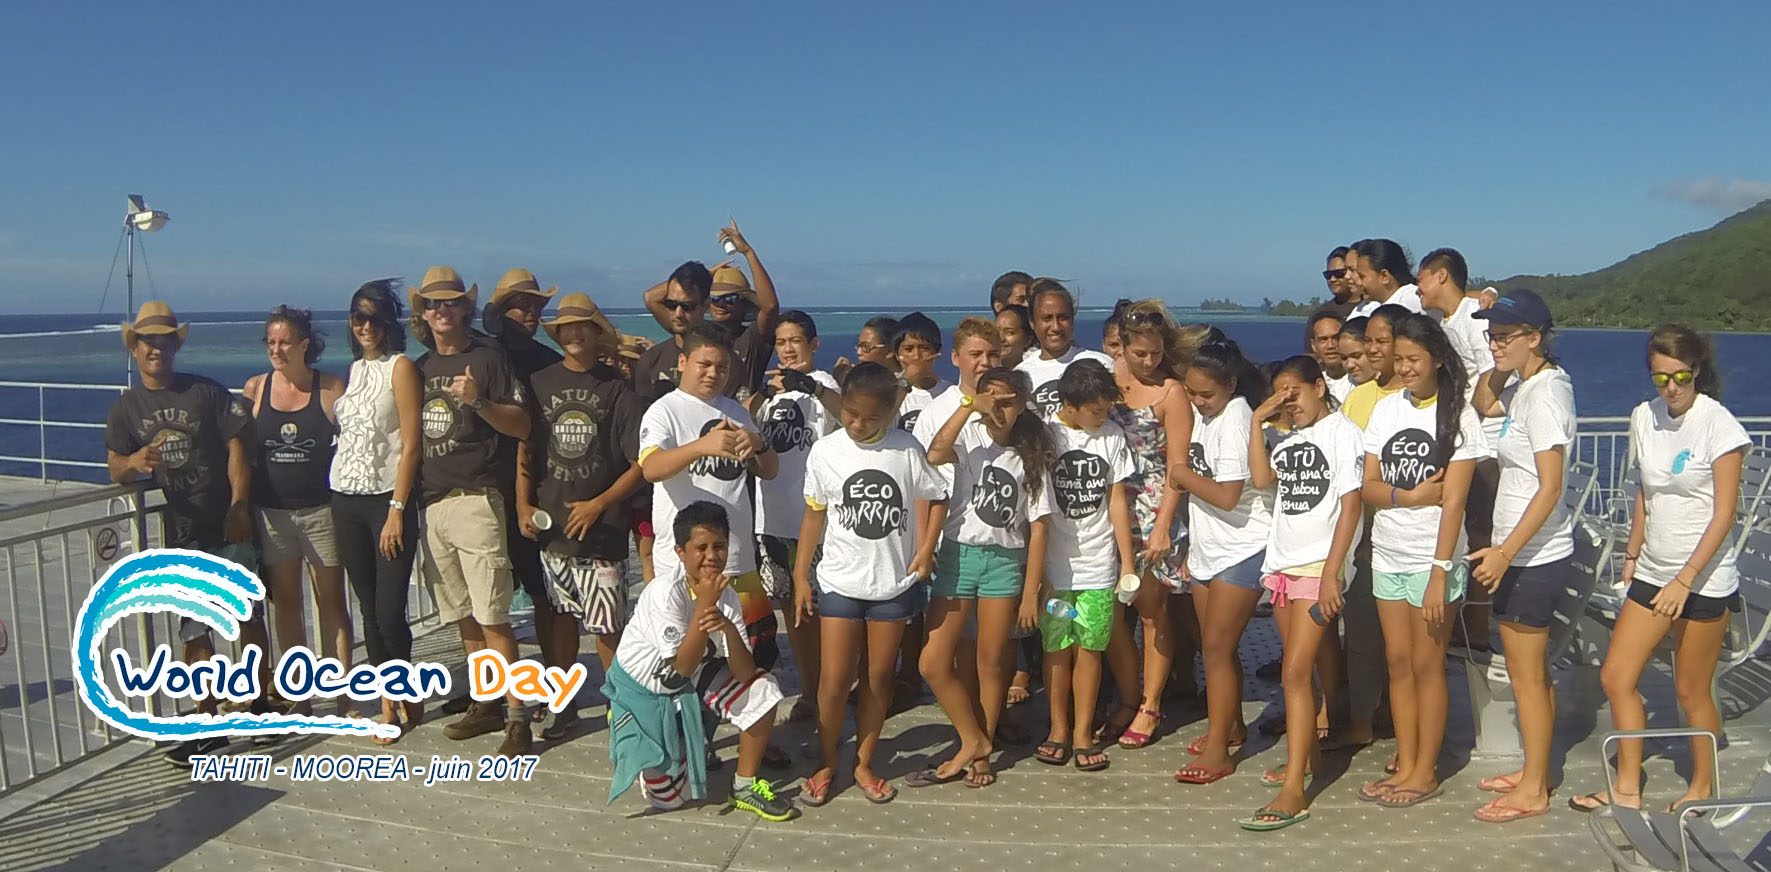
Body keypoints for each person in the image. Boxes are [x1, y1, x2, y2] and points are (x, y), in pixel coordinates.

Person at [1570, 325, 1748, 816]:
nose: (1670, 388)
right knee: (1616, 676)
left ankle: (1702, 787)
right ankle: (1627, 784)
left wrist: (1686, 580)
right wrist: (1631, 554)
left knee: (1691, 690)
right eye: (1660, 378)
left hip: (1704, 578)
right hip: (1652, 570)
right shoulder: (1643, 418)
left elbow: (1724, 514)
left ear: (1698, 372)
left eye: (1681, 376)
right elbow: (1646, 492)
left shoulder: (1720, 426)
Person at [105, 302, 257, 765]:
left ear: (176, 345)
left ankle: (262, 707)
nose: (157, 348)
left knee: (247, 619)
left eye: (165, 339)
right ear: (136, 349)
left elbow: (239, 446)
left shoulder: (204, 391)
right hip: (183, 532)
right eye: (149, 340)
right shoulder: (126, 407)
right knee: (194, 631)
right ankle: (209, 727)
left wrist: (239, 504)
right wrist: (134, 463)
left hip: (227, 520)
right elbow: (115, 467)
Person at [792, 363, 947, 805]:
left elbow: (937, 497)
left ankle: (863, 761)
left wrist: (925, 549)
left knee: (878, 678)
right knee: (834, 680)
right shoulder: (825, 451)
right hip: (839, 582)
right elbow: (813, 515)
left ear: (891, 412)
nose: (858, 425)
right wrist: (802, 576)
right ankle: (826, 761)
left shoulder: (907, 450)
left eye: (870, 418)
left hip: (893, 586)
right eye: (851, 414)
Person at [1358, 313, 1486, 807]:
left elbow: (1453, 501)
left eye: (1414, 359)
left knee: (1428, 664)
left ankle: (1424, 771)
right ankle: (1406, 761)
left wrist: (1439, 573)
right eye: (1400, 359)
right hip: (1388, 553)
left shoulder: (1458, 417)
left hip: (1433, 559)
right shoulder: (1387, 410)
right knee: (1398, 661)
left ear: (1437, 359)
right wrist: (1408, 498)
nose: (1406, 368)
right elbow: (1368, 486)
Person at [408, 266, 536, 756]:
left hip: (476, 498)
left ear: (464, 308)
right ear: (424, 312)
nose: (442, 310)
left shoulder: (486, 358)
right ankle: (486, 702)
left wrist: (478, 401)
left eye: (450, 302)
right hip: (433, 502)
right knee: (463, 614)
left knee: (492, 615)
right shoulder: (419, 367)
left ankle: (518, 715)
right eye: (433, 304)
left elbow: (522, 424)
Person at [603, 501, 798, 822]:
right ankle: (645, 735)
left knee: (764, 690)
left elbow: (745, 672)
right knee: (670, 800)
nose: (712, 556)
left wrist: (727, 627)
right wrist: (704, 606)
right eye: (701, 547)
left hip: (693, 675)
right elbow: (678, 669)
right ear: (681, 552)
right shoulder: (664, 592)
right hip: (648, 689)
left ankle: (745, 786)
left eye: (719, 546)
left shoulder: (728, 594)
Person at [1462, 289, 1576, 822]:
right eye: (1491, 336)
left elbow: (1550, 487)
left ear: (1536, 338)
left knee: (1526, 677)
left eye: (1505, 336)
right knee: (1532, 676)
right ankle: (1537, 770)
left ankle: (1533, 788)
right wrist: (1505, 365)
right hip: (1519, 553)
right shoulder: (1529, 387)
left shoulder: (1548, 394)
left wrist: (1505, 553)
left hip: (1533, 557)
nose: (1494, 344)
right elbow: (1484, 404)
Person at [1241, 356, 1364, 830]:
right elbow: (1261, 480)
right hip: (1283, 565)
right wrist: (1258, 419)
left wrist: (1334, 572)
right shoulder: (1289, 436)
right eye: (1281, 395)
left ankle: (1296, 789)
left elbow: (1351, 506)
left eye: (1296, 393)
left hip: (1318, 567)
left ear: (1319, 386)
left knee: (1292, 673)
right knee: (1300, 675)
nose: (1289, 403)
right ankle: (1306, 758)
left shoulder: (1343, 432)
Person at [918, 367, 1053, 788]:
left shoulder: (1030, 453)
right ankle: (972, 738)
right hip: (958, 554)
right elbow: (935, 454)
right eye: (990, 398)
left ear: (1023, 404)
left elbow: (1039, 528)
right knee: (933, 661)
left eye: (1008, 400)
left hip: (1004, 561)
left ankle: (982, 750)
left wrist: (1031, 591)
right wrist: (966, 407)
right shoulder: (969, 438)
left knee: (992, 663)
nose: (998, 407)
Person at [520, 294, 647, 740]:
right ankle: (563, 705)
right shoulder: (539, 383)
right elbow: (527, 449)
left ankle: (620, 709)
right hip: (552, 527)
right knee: (559, 621)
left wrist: (598, 504)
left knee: (608, 627)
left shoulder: (617, 389)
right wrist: (523, 505)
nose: (573, 334)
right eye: (565, 329)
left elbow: (641, 463)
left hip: (603, 532)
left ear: (597, 333)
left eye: (582, 327)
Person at [638, 324, 780, 687]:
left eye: (722, 367)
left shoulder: (735, 410)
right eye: (705, 365)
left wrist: (757, 443)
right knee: (688, 657)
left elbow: (770, 471)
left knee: (754, 652)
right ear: (683, 362)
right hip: (687, 562)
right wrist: (702, 446)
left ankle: (752, 727)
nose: (713, 374)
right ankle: (687, 733)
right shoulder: (663, 411)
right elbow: (651, 468)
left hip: (738, 557)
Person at [1171, 339, 1275, 785]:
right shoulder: (1203, 414)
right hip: (1208, 548)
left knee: (1215, 648)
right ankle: (1229, 724)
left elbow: (1229, 496)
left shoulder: (1233, 419)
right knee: (1216, 648)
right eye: (1191, 393)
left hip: (1243, 546)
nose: (1198, 402)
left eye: (1206, 395)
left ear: (1230, 385)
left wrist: (1180, 474)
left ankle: (1219, 748)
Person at [1098, 301, 1200, 749]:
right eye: (1140, 353)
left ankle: (1150, 703)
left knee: (1151, 609)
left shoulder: (1171, 393)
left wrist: (1162, 528)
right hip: (1108, 505)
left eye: (1156, 354)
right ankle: (1127, 693)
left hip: (1152, 506)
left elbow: (1178, 467)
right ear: (1121, 344)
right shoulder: (1108, 381)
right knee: (1110, 611)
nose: (1149, 362)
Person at [1031, 359, 1136, 774]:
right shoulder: (1045, 435)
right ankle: (1057, 727)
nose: (1102, 416)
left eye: (1106, 408)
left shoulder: (1111, 435)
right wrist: (1036, 575)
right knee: (1056, 648)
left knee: (1090, 648)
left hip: (1097, 566)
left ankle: (1082, 732)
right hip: (1055, 571)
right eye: (1094, 410)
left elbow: (1116, 500)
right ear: (1069, 404)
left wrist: (1126, 559)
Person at [243, 307, 349, 711]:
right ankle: (299, 695)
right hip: (272, 515)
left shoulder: (331, 389)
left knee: (331, 602)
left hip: (322, 512)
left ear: (305, 345)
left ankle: (341, 694)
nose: (277, 349)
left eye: (285, 342)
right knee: (286, 604)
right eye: (271, 342)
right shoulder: (255, 389)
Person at [330, 280, 423, 741]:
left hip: (385, 500)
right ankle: (393, 700)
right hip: (344, 499)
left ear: (388, 323)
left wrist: (397, 508)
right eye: (356, 317)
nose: (365, 326)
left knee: (389, 611)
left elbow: (410, 444)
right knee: (368, 609)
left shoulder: (400, 368)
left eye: (373, 318)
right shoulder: (354, 370)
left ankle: (400, 694)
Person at [1320, 305, 1408, 759]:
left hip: (1403, 536)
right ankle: (1360, 721)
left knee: (1402, 644)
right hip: (1361, 535)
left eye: (1381, 341)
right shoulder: (1359, 396)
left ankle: (1395, 723)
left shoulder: (1413, 401)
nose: (1372, 351)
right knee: (1360, 633)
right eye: (1367, 342)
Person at [754, 310, 843, 724]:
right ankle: (810, 690)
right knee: (792, 614)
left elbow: (846, 415)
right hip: (771, 520)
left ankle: (831, 689)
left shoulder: (823, 384)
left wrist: (807, 385)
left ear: (813, 344)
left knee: (823, 614)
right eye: (781, 341)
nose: (787, 349)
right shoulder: (771, 395)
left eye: (795, 341)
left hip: (814, 522)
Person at [640, 222, 781, 402]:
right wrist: (700, 277)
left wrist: (748, 252)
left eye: (730, 299)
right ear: (707, 303)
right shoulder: (692, 332)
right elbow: (651, 298)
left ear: (744, 304)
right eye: (715, 298)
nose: (721, 304)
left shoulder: (750, 340)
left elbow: (769, 307)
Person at [1016, 279, 1115, 418]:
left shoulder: (1102, 363)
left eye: (1063, 318)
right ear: (1032, 322)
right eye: (1047, 318)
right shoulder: (1021, 373)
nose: (1056, 327)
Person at [632, 261, 714, 403]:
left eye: (687, 306)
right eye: (671, 304)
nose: (678, 314)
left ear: (705, 305)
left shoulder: (722, 360)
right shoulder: (650, 361)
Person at [893, 312, 954, 432]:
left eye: (924, 348)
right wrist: (907, 380)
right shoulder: (887, 392)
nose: (916, 356)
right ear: (897, 354)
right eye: (908, 349)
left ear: (936, 352)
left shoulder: (950, 392)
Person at [1348, 239, 1424, 318]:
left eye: (1362, 276)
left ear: (1384, 276)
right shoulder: (1367, 309)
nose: (1358, 283)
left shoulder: (1413, 299)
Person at [835, 316, 900, 383]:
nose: (858, 352)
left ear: (890, 351)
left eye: (866, 346)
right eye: (858, 345)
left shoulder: (902, 386)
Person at [1306, 306, 1351, 403]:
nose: (1330, 345)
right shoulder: (1310, 387)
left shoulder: (1362, 381)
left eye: (1335, 338)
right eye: (1323, 340)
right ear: (1314, 345)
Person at [995, 304, 1035, 369]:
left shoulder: (1034, 371)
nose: (1001, 338)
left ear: (1028, 340)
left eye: (1009, 332)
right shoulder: (986, 369)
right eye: (996, 331)